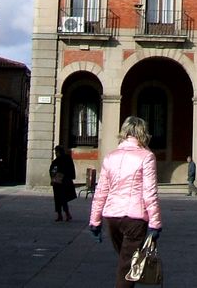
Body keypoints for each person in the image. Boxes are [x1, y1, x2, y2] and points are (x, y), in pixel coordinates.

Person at [89, 116, 163, 288]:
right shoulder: (147, 157)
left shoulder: (110, 157)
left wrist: (95, 220)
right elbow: (150, 192)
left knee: (126, 260)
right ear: (143, 133)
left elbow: (101, 192)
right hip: (135, 220)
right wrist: (155, 224)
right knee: (127, 268)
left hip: (112, 218)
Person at [49, 145, 77, 221]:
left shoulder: (62, 160)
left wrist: (54, 178)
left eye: (56, 152)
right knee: (60, 199)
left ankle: (65, 214)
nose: (55, 153)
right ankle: (61, 215)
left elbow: (55, 170)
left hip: (62, 181)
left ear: (59, 152)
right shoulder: (61, 160)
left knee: (61, 199)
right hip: (61, 181)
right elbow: (53, 170)